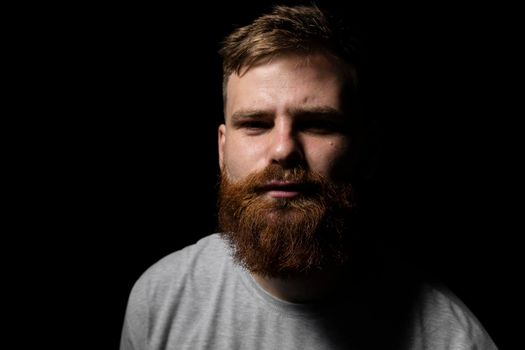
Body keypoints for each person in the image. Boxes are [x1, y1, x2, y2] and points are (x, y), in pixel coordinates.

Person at [120, 4, 498, 349]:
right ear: (222, 148)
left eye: (318, 124)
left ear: (367, 150)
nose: (283, 149)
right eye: (255, 123)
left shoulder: (453, 339)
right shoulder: (159, 300)